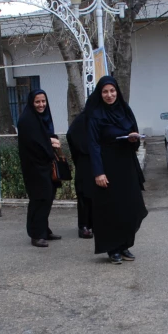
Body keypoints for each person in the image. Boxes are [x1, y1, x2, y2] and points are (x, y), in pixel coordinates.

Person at [87, 75, 148, 264]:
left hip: (126, 165)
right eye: (105, 91)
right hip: (107, 166)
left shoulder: (124, 109)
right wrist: (98, 172)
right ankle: (112, 248)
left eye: (112, 91)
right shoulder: (95, 114)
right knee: (111, 209)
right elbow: (93, 144)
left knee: (131, 206)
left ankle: (124, 245)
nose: (109, 95)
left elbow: (134, 137)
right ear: (100, 93)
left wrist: (133, 139)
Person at [16, 89, 63, 247]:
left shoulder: (42, 117)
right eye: (37, 102)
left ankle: (44, 230)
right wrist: (50, 144)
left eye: (43, 101)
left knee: (48, 197)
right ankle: (36, 234)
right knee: (39, 199)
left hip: (46, 165)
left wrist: (52, 140)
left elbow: (47, 136)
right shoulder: (27, 119)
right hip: (34, 167)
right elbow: (34, 144)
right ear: (31, 102)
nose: (41, 104)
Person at [66, 96, 95, 239]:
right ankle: (83, 225)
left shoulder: (99, 119)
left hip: (96, 162)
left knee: (96, 195)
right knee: (84, 195)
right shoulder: (81, 120)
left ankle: (93, 223)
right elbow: (71, 136)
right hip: (84, 163)